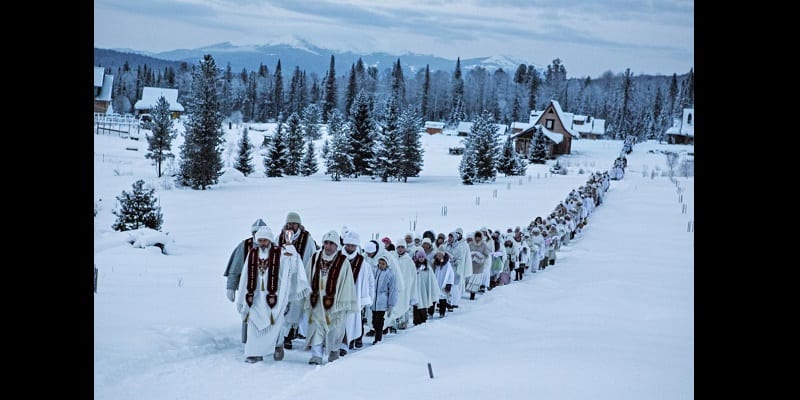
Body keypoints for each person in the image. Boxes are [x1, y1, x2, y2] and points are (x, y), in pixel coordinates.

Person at [234, 226, 310, 363]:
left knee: (275, 324)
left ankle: (277, 345)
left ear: (270, 240)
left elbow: (292, 265)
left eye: (265, 240)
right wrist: (242, 297)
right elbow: (245, 275)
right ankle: (253, 353)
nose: (262, 243)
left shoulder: (279, 253)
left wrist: (291, 249)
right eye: (260, 240)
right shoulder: (252, 253)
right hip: (255, 297)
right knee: (253, 326)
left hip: (273, 297)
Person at [303, 230, 358, 365]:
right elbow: (307, 276)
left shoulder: (343, 261)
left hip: (335, 303)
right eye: (326, 243)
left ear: (336, 245)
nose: (327, 246)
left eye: (331, 243)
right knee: (316, 328)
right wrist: (307, 295)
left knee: (335, 330)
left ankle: (334, 350)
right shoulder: (315, 258)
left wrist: (342, 302)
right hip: (317, 302)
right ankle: (316, 356)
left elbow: (347, 284)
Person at [278, 211, 317, 350]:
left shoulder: (307, 239)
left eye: (294, 224)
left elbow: (313, 258)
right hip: (283, 279)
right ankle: (281, 335)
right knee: (282, 308)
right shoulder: (279, 238)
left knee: (296, 308)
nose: (291, 226)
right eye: (289, 223)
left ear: (299, 225)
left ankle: (289, 335)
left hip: (299, 279)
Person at [224, 218, 267, 343]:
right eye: (255, 232)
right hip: (248, 288)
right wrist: (231, 287)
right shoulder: (245, 246)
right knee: (249, 315)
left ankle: (265, 342)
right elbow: (235, 268)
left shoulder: (273, 247)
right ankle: (248, 341)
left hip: (267, 290)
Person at [340, 231, 374, 353]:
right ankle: (338, 343)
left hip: (354, 297)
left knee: (350, 321)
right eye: (348, 245)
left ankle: (345, 343)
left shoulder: (362, 263)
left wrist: (366, 297)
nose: (350, 248)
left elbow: (368, 281)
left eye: (353, 246)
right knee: (338, 321)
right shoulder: (338, 258)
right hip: (338, 296)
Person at [370, 255, 398, 344]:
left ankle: (378, 338)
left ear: (387, 264)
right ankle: (376, 333)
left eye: (383, 264)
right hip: (374, 301)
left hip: (382, 301)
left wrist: (391, 305)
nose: (381, 265)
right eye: (379, 263)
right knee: (374, 320)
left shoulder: (390, 275)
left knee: (379, 320)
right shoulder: (375, 271)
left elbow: (393, 290)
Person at [412, 250, 440, 324]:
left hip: (425, 290)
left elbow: (432, 280)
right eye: (419, 257)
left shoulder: (428, 268)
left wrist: (433, 290)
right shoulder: (414, 267)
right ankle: (416, 321)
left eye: (422, 257)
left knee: (424, 304)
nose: (421, 258)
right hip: (417, 289)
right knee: (416, 304)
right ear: (417, 258)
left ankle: (423, 320)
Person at [430, 246, 454, 318]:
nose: (439, 256)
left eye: (440, 255)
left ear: (443, 255)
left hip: (443, 284)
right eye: (438, 255)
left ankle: (442, 313)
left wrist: (449, 284)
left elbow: (451, 275)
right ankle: (430, 313)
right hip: (435, 283)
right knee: (433, 298)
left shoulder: (447, 264)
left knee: (442, 298)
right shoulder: (435, 263)